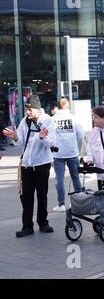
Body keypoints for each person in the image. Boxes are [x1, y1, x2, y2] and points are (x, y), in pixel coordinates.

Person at [3, 95, 56, 237]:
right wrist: (15, 137)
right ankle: (27, 226)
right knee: (26, 196)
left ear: (38, 109)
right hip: (26, 164)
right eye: (27, 108)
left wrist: (43, 137)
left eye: (30, 109)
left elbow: (52, 144)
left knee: (42, 195)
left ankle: (43, 223)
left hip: (42, 164)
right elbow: (20, 141)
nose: (28, 111)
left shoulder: (48, 121)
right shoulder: (25, 121)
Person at [51, 98, 84, 212]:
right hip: (72, 152)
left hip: (58, 153)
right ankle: (80, 202)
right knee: (75, 177)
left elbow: (49, 136)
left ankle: (61, 204)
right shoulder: (74, 118)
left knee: (59, 179)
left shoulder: (53, 119)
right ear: (68, 106)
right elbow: (81, 135)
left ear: (57, 106)